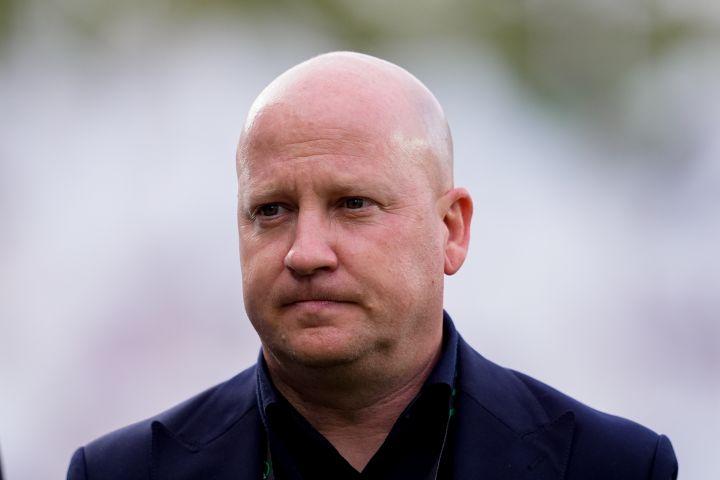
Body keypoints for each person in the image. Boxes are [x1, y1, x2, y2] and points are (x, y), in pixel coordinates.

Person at [67, 52, 678, 479]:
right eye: (272, 210)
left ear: (451, 229)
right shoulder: (124, 472)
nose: (306, 252)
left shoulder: (612, 466)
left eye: (353, 204)